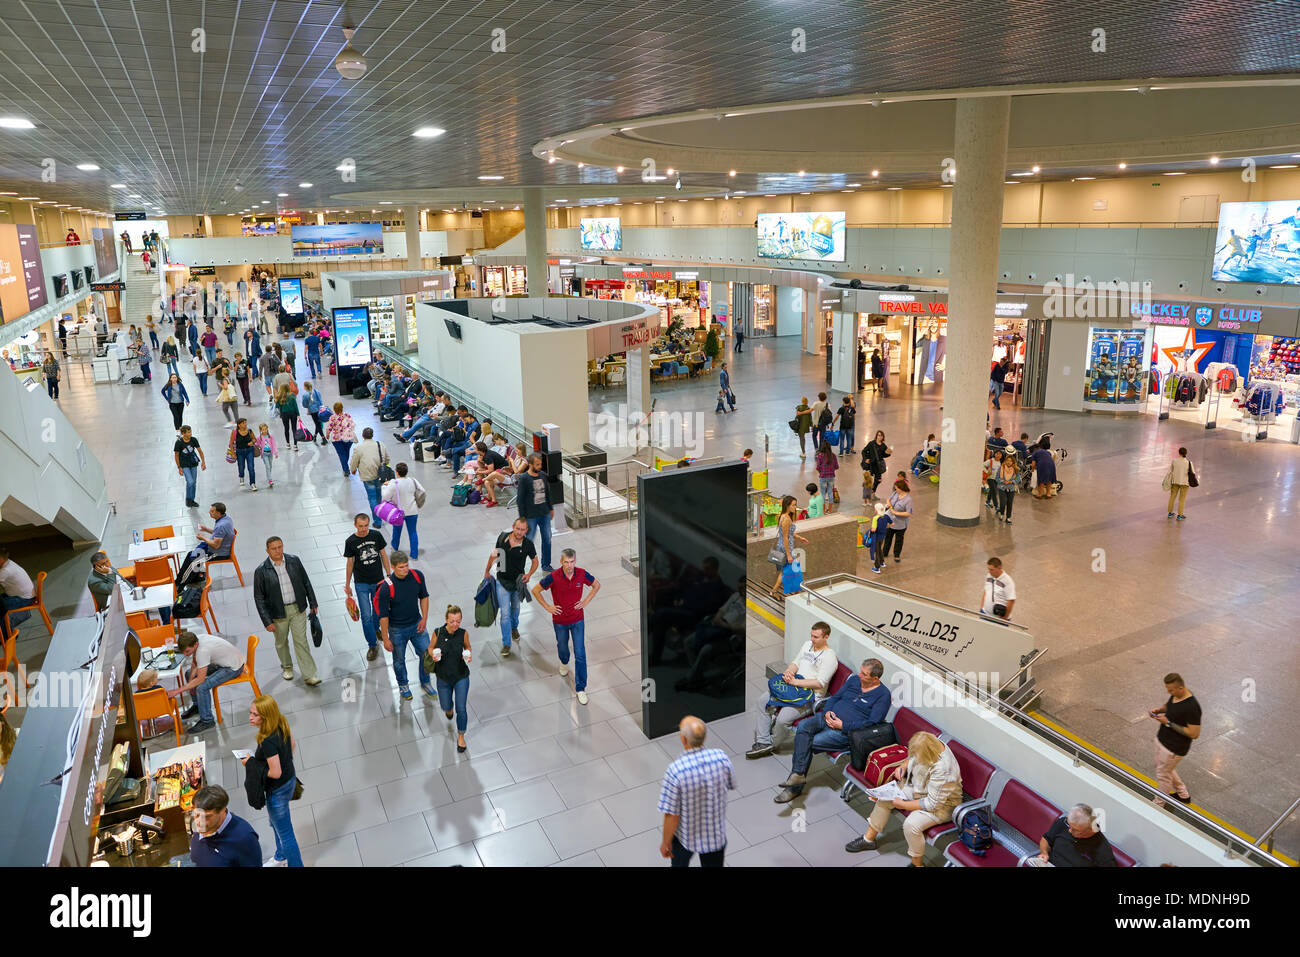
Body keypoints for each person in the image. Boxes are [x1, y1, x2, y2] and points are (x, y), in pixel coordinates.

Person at [775, 657, 892, 803]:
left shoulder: (883, 695)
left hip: (845, 732)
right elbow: (835, 697)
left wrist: (843, 725)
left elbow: (872, 724)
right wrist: (828, 711)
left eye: (864, 674)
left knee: (809, 742)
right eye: (860, 671)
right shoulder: (854, 680)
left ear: (875, 678)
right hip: (827, 717)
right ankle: (797, 776)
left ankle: (794, 785)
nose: (860, 675)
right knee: (803, 728)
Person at [845, 730, 962, 867]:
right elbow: (913, 756)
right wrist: (903, 766)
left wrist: (903, 805)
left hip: (943, 805)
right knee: (885, 798)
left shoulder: (943, 769)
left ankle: (917, 864)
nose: (914, 757)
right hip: (920, 788)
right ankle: (868, 840)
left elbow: (932, 804)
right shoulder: (930, 743)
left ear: (928, 755)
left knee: (911, 825)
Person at [746, 621, 839, 759]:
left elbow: (820, 683)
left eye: (816, 637)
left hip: (808, 696)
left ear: (826, 637)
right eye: (812, 635)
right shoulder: (807, 645)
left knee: (783, 719)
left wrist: (795, 681)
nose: (812, 639)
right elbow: (796, 663)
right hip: (792, 687)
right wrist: (789, 672)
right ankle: (763, 741)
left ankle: (772, 743)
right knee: (762, 701)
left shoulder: (830, 657)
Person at [657, 716, 735, 867]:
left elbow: (671, 815)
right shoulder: (721, 758)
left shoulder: (675, 771)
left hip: (685, 838)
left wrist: (666, 842)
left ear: (684, 740)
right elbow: (731, 784)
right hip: (715, 836)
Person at [532, 547, 601, 705]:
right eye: (566, 562)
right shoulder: (554, 577)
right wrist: (548, 607)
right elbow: (536, 590)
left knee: (580, 653)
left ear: (575, 561)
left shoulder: (582, 573)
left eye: (572, 562)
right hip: (560, 621)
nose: (569, 565)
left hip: (578, 620)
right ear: (561, 562)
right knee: (563, 648)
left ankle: (581, 688)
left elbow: (597, 585)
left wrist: (586, 601)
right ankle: (563, 662)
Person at [240, 695, 302, 866]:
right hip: (290, 780)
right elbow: (292, 746)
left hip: (278, 790)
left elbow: (275, 772)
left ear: (266, 716)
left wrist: (251, 763)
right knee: (277, 824)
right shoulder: (281, 722)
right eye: (250, 713)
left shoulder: (267, 741)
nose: (250, 717)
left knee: (286, 834)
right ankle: (280, 856)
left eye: (255, 715)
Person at [252, 536, 320, 685]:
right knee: (281, 642)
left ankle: (309, 675)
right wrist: (267, 621)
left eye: (280, 547)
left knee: (301, 641)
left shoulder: (294, 561)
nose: (278, 551)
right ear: (267, 550)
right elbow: (259, 598)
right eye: (274, 548)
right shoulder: (261, 571)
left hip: (297, 608)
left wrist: (313, 602)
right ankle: (287, 667)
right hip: (277, 613)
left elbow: (306, 582)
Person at [376, 549, 433, 701]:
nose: (405, 569)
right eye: (401, 567)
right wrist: (385, 638)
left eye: (406, 565)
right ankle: (403, 685)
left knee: (427, 654)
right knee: (399, 661)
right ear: (393, 567)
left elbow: (424, 597)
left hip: (417, 625)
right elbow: (383, 616)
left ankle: (425, 682)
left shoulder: (417, 576)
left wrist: (424, 619)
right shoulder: (386, 588)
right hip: (397, 630)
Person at [165, 629, 246, 733]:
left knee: (202, 687)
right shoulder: (197, 639)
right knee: (189, 673)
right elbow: (195, 663)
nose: (185, 654)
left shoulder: (203, 651)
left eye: (187, 651)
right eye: (184, 652)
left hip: (233, 667)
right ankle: (198, 706)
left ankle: (207, 720)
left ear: (195, 644)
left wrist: (177, 691)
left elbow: (200, 679)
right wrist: (190, 681)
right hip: (222, 662)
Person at [484, 516, 538, 658]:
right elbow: (494, 555)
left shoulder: (528, 545)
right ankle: (506, 643)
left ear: (526, 531)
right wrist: (486, 571)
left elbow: (535, 561)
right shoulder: (503, 538)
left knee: (516, 609)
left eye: (523, 530)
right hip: (502, 581)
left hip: (518, 583)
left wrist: (530, 574)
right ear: (513, 527)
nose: (519, 532)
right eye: (517, 528)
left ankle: (514, 628)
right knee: (505, 614)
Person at [1149, 672, 1201, 808]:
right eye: (1168, 690)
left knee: (1163, 774)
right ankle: (1183, 794)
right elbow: (1170, 704)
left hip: (1174, 748)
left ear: (1181, 688)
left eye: (1171, 690)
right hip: (1163, 739)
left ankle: (1158, 805)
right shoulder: (1177, 695)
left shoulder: (1192, 707)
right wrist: (1160, 709)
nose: (1169, 692)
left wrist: (1168, 723)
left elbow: (1194, 733)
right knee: (1165, 768)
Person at [344, 513, 390, 662]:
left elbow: (383, 555)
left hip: (378, 582)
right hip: (361, 583)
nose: (363, 529)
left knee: (377, 612)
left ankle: (376, 630)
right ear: (355, 525)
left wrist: (389, 574)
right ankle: (372, 645)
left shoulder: (376, 536)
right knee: (366, 616)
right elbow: (350, 563)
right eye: (360, 526)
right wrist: (347, 584)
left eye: (366, 526)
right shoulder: (350, 542)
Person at [429, 605, 472, 752]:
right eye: (452, 621)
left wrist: (468, 654)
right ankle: (449, 709)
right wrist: (433, 654)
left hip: (461, 676)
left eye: (458, 621)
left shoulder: (463, 633)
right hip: (443, 678)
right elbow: (430, 647)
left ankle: (461, 737)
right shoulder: (438, 632)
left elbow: (468, 647)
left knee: (461, 708)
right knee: (446, 706)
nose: (455, 624)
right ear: (446, 619)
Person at [189, 785, 262, 867]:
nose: (198, 822)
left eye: (207, 817)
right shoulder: (202, 825)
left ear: (222, 810)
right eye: (196, 814)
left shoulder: (244, 838)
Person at [1037, 804, 1118, 867]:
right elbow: (1046, 839)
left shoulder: (1102, 849)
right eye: (1069, 825)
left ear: (1090, 830)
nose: (1069, 830)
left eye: (1075, 829)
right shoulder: (1064, 823)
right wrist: (1044, 853)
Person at [517, 452, 554, 572]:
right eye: (537, 464)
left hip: (544, 514)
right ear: (531, 464)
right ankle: (519, 565)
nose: (540, 466)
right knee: (528, 541)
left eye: (540, 464)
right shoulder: (524, 479)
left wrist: (551, 508)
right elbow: (520, 499)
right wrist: (522, 518)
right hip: (530, 516)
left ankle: (546, 564)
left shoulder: (543, 475)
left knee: (547, 539)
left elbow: (547, 493)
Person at [381, 462, 426, 559]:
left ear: (397, 472)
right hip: (412, 511)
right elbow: (422, 490)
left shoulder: (394, 483)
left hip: (398, 512)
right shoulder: (413, 480)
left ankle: (394, 548)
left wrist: (384, 486)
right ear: (406, 472)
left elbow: (385, 497)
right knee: (413, 532)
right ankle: (414, 554)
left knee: (397, 531)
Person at [768, 495, 808, 602]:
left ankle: (776, 591)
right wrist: (789, 554)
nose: (795, 507)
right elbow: (785, 537)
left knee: (784, 572)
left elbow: (789, 533)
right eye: (793, 505)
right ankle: (794, 593)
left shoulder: (784, 516)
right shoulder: (786, 519)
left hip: (783, 547)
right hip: (786, 549)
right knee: (794, 571)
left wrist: (800, 538)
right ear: (787, 505)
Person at [349, 427, 390, 529]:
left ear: (363, 436)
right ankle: (381, 514)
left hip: (367, 476)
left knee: (372, 498)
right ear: (372, 435)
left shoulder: (359, 448)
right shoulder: (380, 444)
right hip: (381, 475)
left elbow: (354, 462)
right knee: (379, 496)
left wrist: (353, 469)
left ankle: (377, 522)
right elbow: (388, 459)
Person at [875, 479, 913, 569]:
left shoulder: (908, 500)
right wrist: (889, 505)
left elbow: (909, 513)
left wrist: (896, 513)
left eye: (897, 488)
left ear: (902, 488)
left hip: (901, 524)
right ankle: (885, 552)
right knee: (888, 537)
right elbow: (889, 499)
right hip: (890, 520)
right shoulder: (895, 494)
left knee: (899, 539)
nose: (895, 490)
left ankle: (897, 554)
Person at [0, 549, 36, 643]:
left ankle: (7, 635)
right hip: (25, 595)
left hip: (24, 599)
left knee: (1, 609)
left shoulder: (5, 571)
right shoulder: (9, 563)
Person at [173, 425, 206, 508]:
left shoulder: (193, 440)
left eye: (190, 431)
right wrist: (179, 467)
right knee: (190, 481)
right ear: (183, 433)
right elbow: (176, 455)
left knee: (193, 483)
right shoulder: (179, 442)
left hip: (193, 463)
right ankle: (188, 499)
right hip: (184, 465)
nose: (190, 433)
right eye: (188, 432)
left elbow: (200, 451)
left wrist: (203, 462)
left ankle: (192, 500)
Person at [325, 402, 356, 478]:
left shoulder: (332, 417)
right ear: (342, 407)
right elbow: (353, 425)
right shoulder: (347, 415)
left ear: (334, 409)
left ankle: (346, 470)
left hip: (337, 439)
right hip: (348, 438)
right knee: (346, 453)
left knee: (341, 454)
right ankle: (345, 466)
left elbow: (329, 427)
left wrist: (328, 434)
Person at [980, 556, 1016, 621]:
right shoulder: (989, 576)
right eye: (988, 569)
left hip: (999, 619)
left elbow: (1011, 600)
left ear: (999, 568)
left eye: (992, 569)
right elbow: (986, 591)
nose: (989, 572)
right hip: (985, 614)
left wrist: (1004, 618)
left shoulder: (1008, 581)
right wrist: (982, 608)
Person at [1165, 446, 1194, 521]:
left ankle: (1170, 513)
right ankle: (1180, 515)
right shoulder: (1189, 463)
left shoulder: (1174, 461)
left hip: (1175, 482)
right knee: (1182, 499)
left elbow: (1171, 470)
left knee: (1172, 497)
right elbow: (1193, 473)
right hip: (1184, 483)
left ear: (1179, 453)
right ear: (1186, 453)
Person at [861, 430, 891, 501]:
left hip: (878, 465)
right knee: (869, 480)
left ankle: (872, 492)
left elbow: (884, 455)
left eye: (881, 435)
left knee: (878, 480)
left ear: (883, 437)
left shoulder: (883, 445)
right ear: (876, 436)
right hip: (871, 464)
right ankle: (869, 495)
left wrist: (889, 453)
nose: (879, 437)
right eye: (878, 435)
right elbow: (864, 451)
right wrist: (866, 459)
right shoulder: (872, 443)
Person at [274, 384, 300, 452]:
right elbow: (295, 405)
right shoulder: (292, 395)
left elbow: (277, 406)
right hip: (293, 413)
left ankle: (288, 444)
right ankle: (295, 445)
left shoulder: (279, 397)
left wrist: (276, 401)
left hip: (284, 414)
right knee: (294, 429)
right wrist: (298, 414)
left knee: (286, 429)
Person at [1030, 435, 1057, 499]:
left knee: (1041, 480)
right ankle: (1048, 494)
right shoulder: (1047, 452)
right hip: (1052, 465)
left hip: (1042, 465)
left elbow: (1033, 464)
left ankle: (1040, 494)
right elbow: (1050, 458)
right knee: (1049, 479)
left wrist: (1032, 470)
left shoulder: (1035, 453)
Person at [814, 440, 838, 512]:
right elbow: (836, 466)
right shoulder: (833, 455)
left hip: (823, 476)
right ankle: (830, 510)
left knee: (823, 493)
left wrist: (821, 472)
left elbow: (818, 467)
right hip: (831, 476)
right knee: (830, 492)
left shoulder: (820, 456)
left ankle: (823, 510)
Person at [995, 451, 1019, 524]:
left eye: (1010, 461)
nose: (1009, 462)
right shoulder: (1001, 468)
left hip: (1011, 489)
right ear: (1005, 461)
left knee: (1009, 503)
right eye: (1007, 460)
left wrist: (1012, 482)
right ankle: (1002, 513)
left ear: (1013, 462)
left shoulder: (1015, 469)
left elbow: (1018, 479)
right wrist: (1002, 481)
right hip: (1002, 488)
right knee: (1003, 502)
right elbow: (997, 478)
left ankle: (1008, 517)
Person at [255, 423, 279, 489]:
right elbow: (257, 443)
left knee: (270, 466)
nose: (264, 431)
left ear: (267, 429)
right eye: (263, 430)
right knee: (267, 466)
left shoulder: (270, 436)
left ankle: (268, 476)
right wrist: (258, 445)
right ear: (260, 430)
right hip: (264, 454)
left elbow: (274, 444)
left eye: (265, 429)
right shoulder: (259, 437)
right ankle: (270, 480)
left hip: (270, 453)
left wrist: (276, 453)